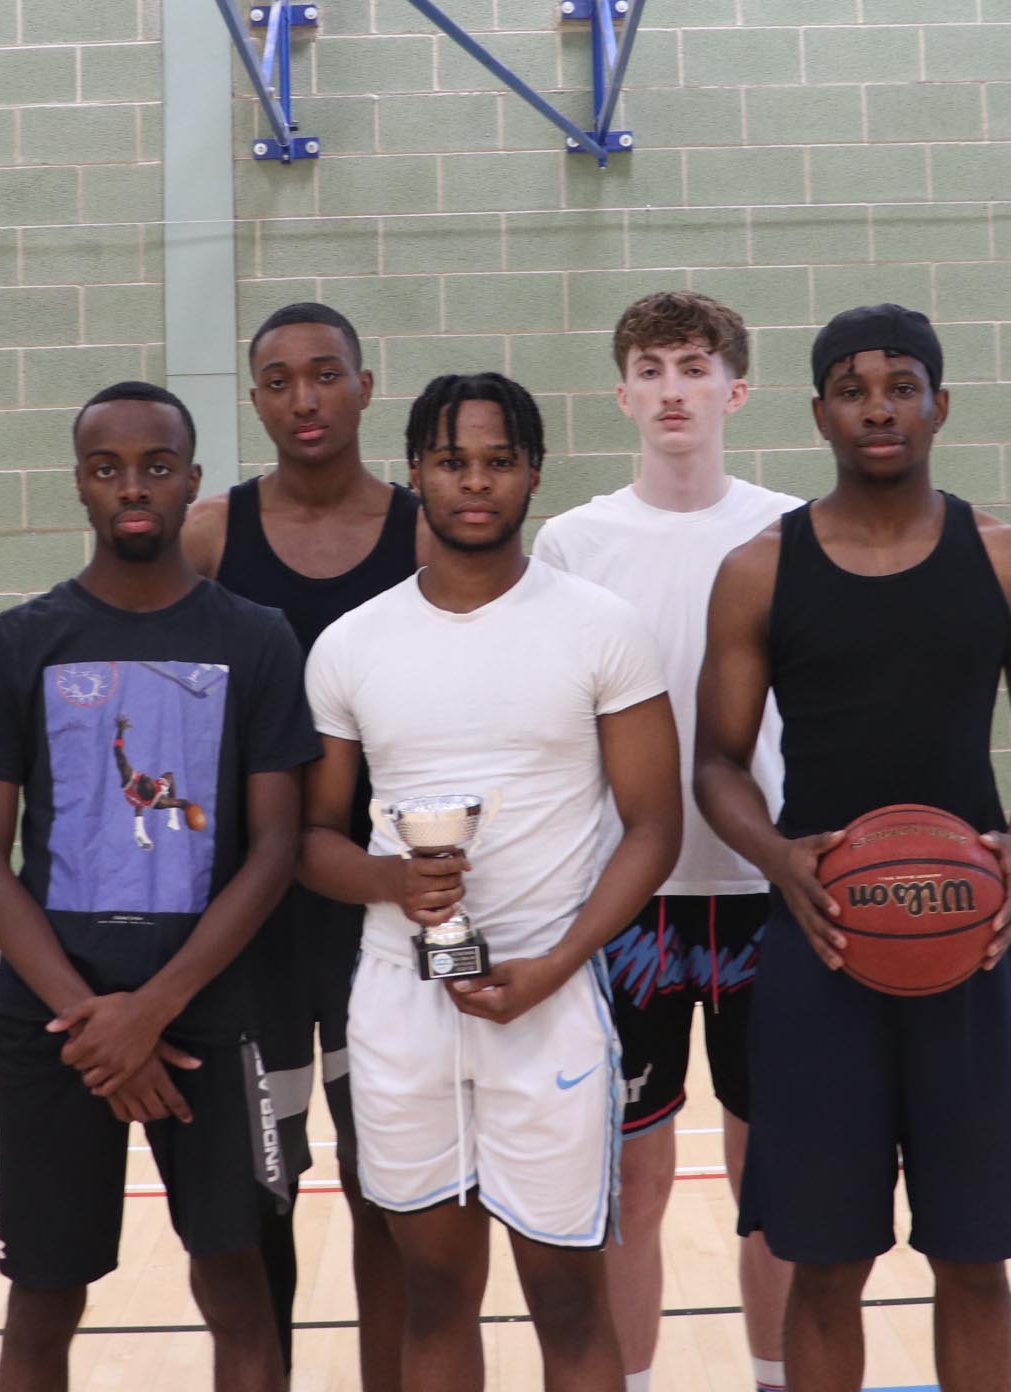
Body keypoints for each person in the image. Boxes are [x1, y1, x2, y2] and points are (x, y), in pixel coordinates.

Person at [694, 305, 1011, 1392]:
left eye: (901, 384)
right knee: (824, 1264)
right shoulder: (758, 569)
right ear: (818, 410)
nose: (878, 404)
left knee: (975, 1258)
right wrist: (780, 858)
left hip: (970, 951)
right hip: (819, 956)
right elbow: (715, 765)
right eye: (853, 386)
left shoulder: (1010, 561)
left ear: (938, 405)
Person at [301, 371, 682, 1392]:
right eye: (451, 460)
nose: (475, 482)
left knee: (566, 1296)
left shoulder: (600, 625)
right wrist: (394, 880)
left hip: (547, 1001)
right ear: (414, 472)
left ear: (534, 474)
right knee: (431, 1292)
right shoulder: (350, 644)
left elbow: (654, 827)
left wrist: (558, 964)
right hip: (398, 1003)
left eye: (498, 461)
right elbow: (309, 842)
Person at [0, 380, 322, 1392]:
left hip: (213, 1004)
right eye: (107, 467)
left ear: (193, 482)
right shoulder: (19, 641)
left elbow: (275, 847)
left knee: (239, 1283)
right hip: (55, 1017)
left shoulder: (256, 637)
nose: (133, 485)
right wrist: (90, 1020)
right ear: (79, 484)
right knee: (43, 1300)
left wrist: (152, 1010)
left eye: (156, 465)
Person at [534, 291, 799, 1392]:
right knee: (631, 1188)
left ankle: (778, 1374)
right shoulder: (572, 541)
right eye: (651, 369)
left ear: (735, 389)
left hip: (767, 890)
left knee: (773, 1183)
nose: (673, 388)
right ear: (622, 394)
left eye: (695, 367)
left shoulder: (794, 528)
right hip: (626, 900)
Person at [183, 301, 423, 1387]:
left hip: (385, 905)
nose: (304, 397)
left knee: (391, 1189)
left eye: (325, 373)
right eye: (277, 380)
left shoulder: (427, 530)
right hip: (248, 914)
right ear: (254, 402)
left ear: (365, 386)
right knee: (256, 1191)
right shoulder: (204, 535)